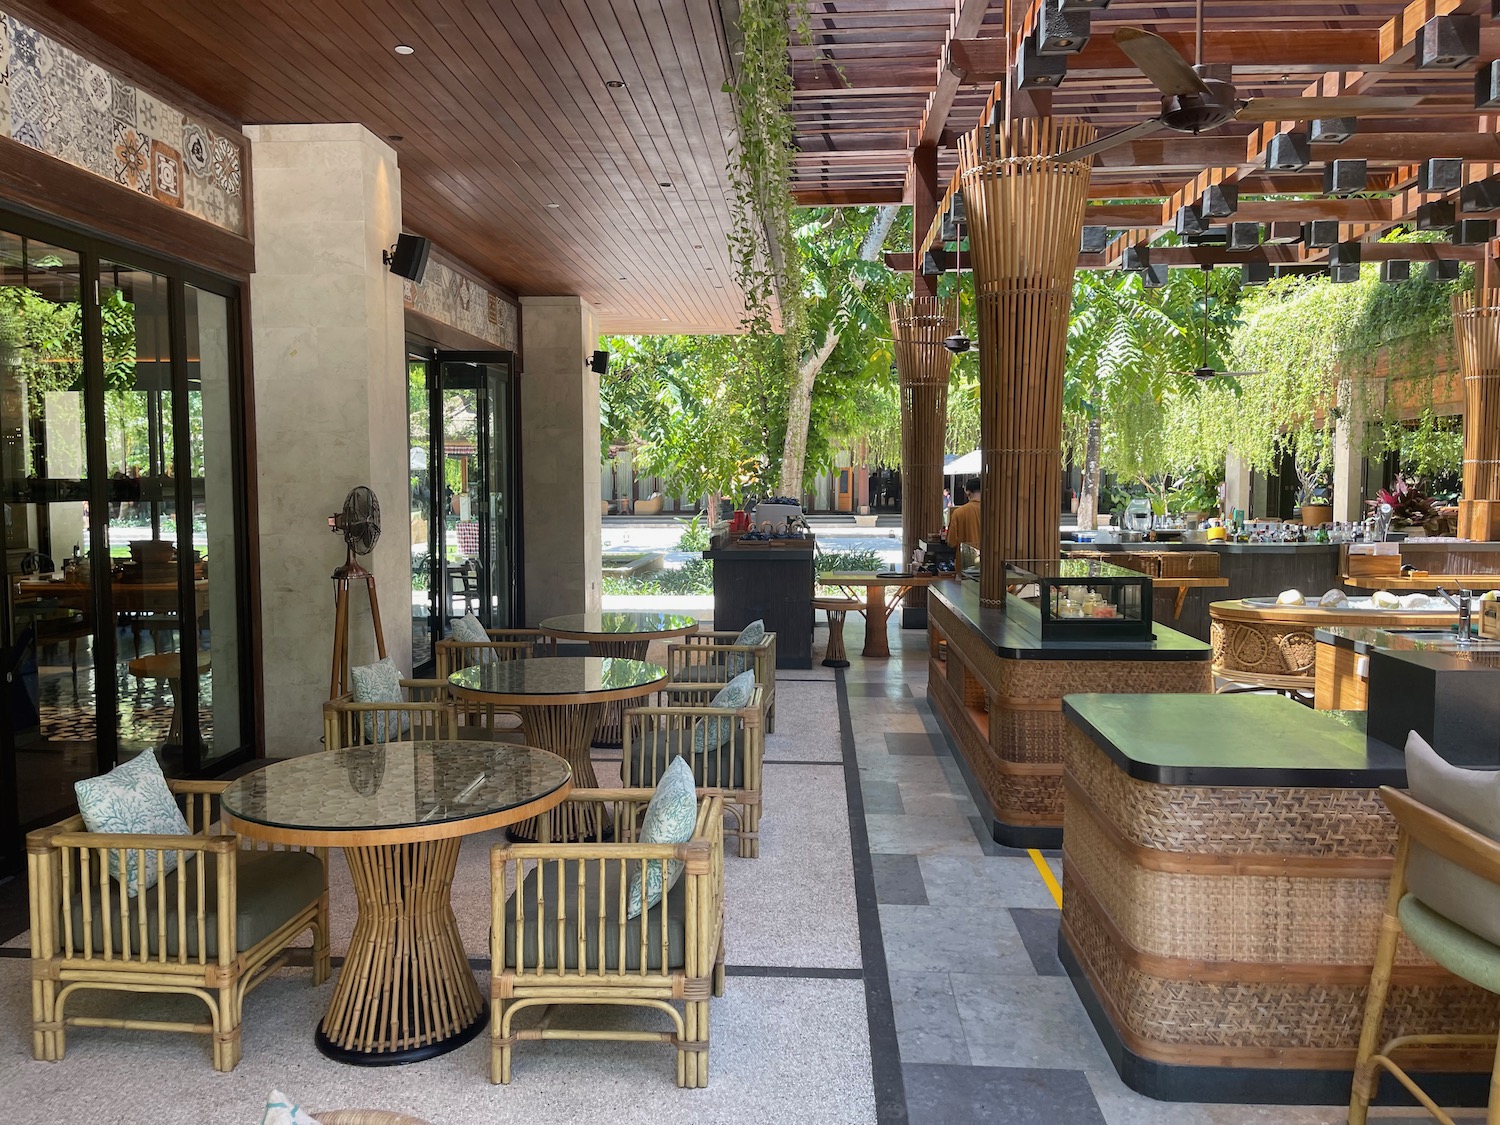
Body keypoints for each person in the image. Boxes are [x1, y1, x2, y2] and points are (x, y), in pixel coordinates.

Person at [947, 476, 982, 554]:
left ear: (968, 492)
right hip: (988, 561)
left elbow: (951, 542)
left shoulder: (958, 512)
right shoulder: (993, 512)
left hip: (965, 560)